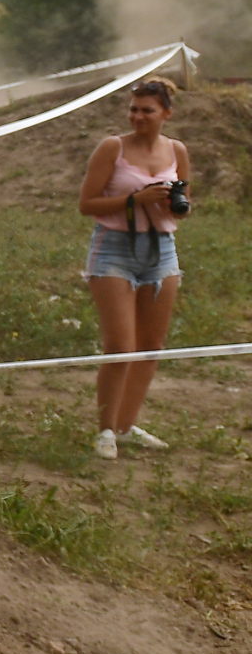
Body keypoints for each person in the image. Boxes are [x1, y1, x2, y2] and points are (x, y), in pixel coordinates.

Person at [77, 77, 193, 459]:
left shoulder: (178, 149)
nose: (138, 116)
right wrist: (136, 198)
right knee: (120, 346)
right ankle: (105, 430)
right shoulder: (113, 147)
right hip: (113, 250)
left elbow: (185, 203)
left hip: (161, 249)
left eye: (147, 110)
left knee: (150, 347)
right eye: (134, 109)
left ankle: (127, 426)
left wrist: (168, 202)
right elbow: (87, 203)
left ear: (166, 114)